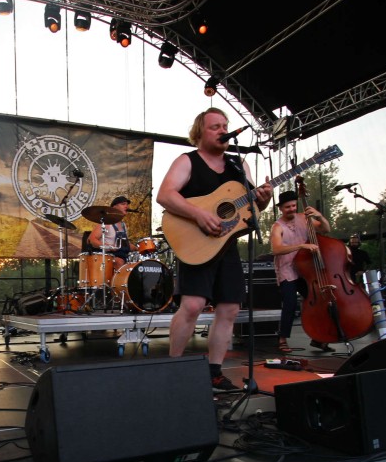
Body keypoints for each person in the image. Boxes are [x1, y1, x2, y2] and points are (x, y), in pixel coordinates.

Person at [156, 107, 274, 392]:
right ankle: (173, 368)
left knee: (230, 309)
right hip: (196, 242)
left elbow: (251, 209)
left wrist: (264, 199)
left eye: (225, 125)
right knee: (192, 305)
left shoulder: (238, 165)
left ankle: (214, 373)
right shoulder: (187, 161)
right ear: (200, 133)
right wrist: (198, 214)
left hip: (227, 244)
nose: (223, 130)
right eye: (215, 127)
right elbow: (165, 195)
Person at [270, 190, 332, 353]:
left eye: (293, 205)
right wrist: (301, 246)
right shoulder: (277, 226)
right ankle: (282, 339)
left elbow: (326, 229)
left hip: (306, 270)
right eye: (287, 207)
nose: (291, 209)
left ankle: (318, 338)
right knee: (290, 304)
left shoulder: (304, 218)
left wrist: (319, 216)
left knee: (318, 302)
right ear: (281, 208)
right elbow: (276, 249)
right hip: (287, 270)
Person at [88, 195, 136, 268]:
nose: (126, 206)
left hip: (122, 256)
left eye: (127, 204)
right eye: (123, 204)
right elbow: (91, 239)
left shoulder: (123, 225)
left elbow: (123, 244)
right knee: (119, 262)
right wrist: (108, 247)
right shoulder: (106, 223)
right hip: (107, 257)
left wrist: (138, 248)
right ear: (114, 207)